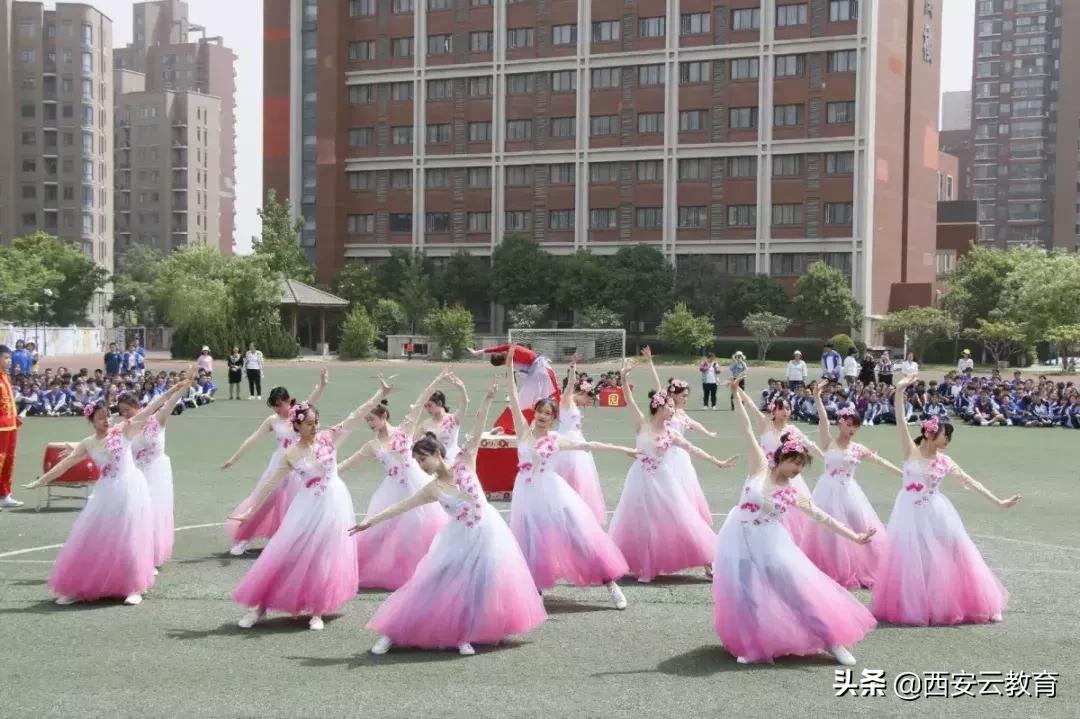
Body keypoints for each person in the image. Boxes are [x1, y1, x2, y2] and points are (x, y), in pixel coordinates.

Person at [352, 382, 547, 656]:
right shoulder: (432, 488)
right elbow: (402, 505)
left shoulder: (465, 462)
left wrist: (487, 400)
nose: (421, 465)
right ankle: (391, 633)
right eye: (417, 461)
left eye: (423, 459)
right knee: (431, 581)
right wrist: (369, 522)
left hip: (488, 532)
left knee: (483, 583)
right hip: (457, 538)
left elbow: (478, 428)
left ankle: (464, 634)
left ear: (436, 453)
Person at [713, 378, 877, 666]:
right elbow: (747, 428)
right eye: (795, 463)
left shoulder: (791, 493)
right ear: (781, 457)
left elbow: (821, 516)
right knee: (744, 592)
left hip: (770, 543)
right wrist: (735, 395)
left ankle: (831, 642)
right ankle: (752, 645)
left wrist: (855, 536)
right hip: (737, 535)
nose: (797, 470)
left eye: (802, 466)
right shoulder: (759, 467)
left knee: (795, 593)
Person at [229, 388, 388, 631]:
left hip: (334, 504)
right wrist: (250, 512)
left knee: (325, 556)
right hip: (307, 506)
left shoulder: (328, 438)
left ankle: (318, 611)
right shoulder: (292, 454)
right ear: (297, 426)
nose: (315, 427)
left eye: (316, 422)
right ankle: (259, 608)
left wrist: (379, 394)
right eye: (310, 424)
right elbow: (271, 483)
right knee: (285, 551)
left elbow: (355, 416)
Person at [871, 374, 1021, 626]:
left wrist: (1000, 501)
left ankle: (978, 602)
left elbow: (970, 481)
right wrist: (899, 391)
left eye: (949, 438)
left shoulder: (944, 461)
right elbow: (900, 421)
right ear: (930, 434)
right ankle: (918, 605)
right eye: (945, 435)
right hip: (908, 512)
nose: (947, 440)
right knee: (912, 559)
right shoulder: (911, 452)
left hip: (937, 511)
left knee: (954, 552)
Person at [505, 346, 633, 608]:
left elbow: (590, 446)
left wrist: (625, 449)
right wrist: (509, 367)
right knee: (530, 541)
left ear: (554, 419)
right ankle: (536, 590)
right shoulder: (523, 433)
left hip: (553, 493)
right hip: (526, 495)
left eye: (548, 414)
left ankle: (610, 584)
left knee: (579, 535)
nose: (542, 416)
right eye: (540, 411)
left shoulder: (557, 439)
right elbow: (513, 398)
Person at [24, 399, 163, 605]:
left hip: (129, 490)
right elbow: (65, 464)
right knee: (92, 537)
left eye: (108, 415)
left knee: (128, 536)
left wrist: (175, 388)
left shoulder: (121, 431)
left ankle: (133, 587)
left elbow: (149, 410)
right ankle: (79, 588)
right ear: (92, 421)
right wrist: (41, 481)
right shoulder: (87, 443)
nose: (106, 420)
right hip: (105, 492)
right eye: (100, 417)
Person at [610, 358, 735, 583]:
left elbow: (693, 449)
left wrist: (718, 462)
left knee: (681, 517)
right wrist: (623, 378)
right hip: (639, 479)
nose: (672, 408)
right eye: (668, 405)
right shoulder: (642, 424)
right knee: (641, 521)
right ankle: (646, 567)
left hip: (663, 479)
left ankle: (707, 560)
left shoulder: (671, 432)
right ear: (659, 407)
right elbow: (629, 401)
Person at [339, 372, 452, 590]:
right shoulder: (372, 445)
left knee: (421, 527)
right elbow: (349, 462)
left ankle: (430, 570)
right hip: (392, 489)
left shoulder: (404, 431)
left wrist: (436, 381)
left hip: (416, 483)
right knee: (385, 530)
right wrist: (330, 471)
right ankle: (385, 571)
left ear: (384, 416)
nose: (370, 423)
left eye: (372, 419)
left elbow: (419, 404)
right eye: (367, 420)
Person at [800, 385, 900, 589]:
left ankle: (869, 567)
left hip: (849, 491)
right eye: (849, 424)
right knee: (826, 530)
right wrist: (818, 398)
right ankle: (827, 568)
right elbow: (823, 420)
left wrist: (903, 474)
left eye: (855, 425)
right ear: (840, 424)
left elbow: (880, 462)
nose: (852, 429)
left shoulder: (858, 448)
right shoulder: (828, 443)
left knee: (859, 524)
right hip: (827, 491)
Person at [221, 369, 329, 555]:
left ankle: (296, 542)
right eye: (274, 406)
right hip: (279, 464)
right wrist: (234, 458)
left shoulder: (299, 414)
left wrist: (323, 384)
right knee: (263, 502)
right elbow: (253, 439)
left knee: (297, 504)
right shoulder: (272, 420)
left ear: (289, 401)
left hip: (300, 465)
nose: (277, 409)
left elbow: (313, 398)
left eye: (280, 405)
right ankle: (244, 538)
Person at [733, 384, 823, 550]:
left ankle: (790, 546)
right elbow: (752, 408)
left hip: (786, 477)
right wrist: (737, 390)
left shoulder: (793, 430)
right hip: (764, 475)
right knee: (760, 509)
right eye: (781, 408)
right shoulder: (765, 425)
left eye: (788, 408)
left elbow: (809, 446)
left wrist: (826, 458)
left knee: (793, 512)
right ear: (773, 410)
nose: (785, 412)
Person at [119, 374, 193, 570]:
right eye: (122, 412)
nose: (125, 414)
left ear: (137, 407)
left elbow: (169, 403)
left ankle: (151, 556)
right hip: (136, 473)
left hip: (156, 472)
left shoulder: (156, 419)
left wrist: (183, 385)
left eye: (127, 410)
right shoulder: (127, 428)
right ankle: (136, 553)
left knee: (154, 513)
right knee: (136, 513)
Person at [642, 346, 720, 527]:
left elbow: (694, 424)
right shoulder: (666, 409)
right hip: (666, 456)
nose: (686, 398)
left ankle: (682, 522)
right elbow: (657, 384)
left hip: (682, 457)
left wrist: (708, 433)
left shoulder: (682, 413)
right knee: (667, 491)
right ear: (673, 394)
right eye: (683, 395)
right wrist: (650, 361)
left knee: (684, 492)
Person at [553, 356, 608, 525]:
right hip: (566, 442)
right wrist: (573, 368)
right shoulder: (566, 401)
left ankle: (577, 511)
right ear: (582, 393)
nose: (589, 403)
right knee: (567, 476)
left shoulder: (574, 406)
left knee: (579, 479)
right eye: (589, 399)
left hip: (577, 443)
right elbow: (569, 386)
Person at [467, 342, 559, 433]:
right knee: (534, 401)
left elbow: (497, 348)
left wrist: (477, 352)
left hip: (541, 372)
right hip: (541, 372)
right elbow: (496, 349)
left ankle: (509, 425)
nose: (505, 364)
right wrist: (477, 352)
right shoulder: (512, 357)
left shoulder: (513, 350)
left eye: (503, 363)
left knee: (525, 401)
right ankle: (524, 426)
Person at [414, 373, 469, 466]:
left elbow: (464, 404)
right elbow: (413, 441)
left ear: (439, 403)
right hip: (436, 463)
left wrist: (462, 389)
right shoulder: (425, 425)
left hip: (454, 461)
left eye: (429, 405)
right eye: (425, 406)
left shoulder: (453, 419)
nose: (427, 409)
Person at [0, 346, 24, 508]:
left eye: (9, 358)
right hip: (1, 426)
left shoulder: (5, 377)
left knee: (9, 460)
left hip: (11, 425)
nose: (9, 361)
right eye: (6, 358)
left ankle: (5, 494)